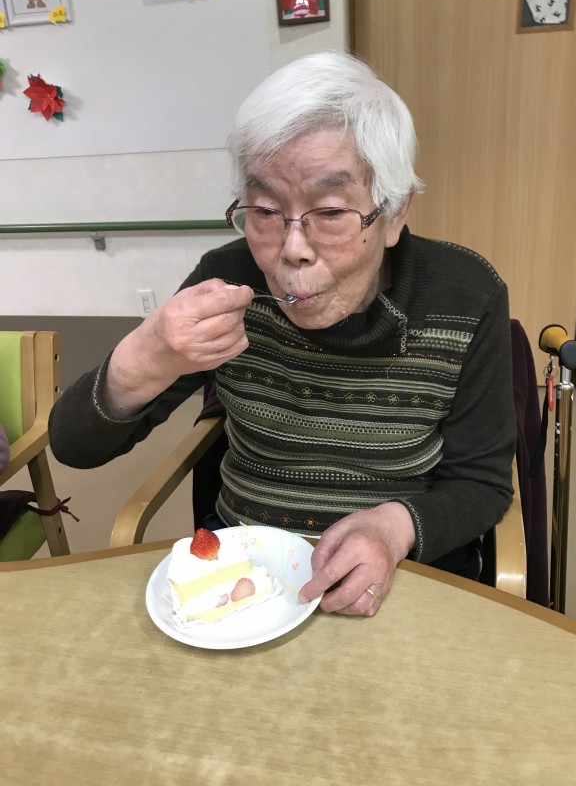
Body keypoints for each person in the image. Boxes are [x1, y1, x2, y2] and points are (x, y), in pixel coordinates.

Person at [49, 51, 516, 617]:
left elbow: (483, 483)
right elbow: (74, 448)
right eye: (266, 210)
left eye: (331, 211)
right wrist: (146, 356)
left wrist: (393, 528)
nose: (291, 249)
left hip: (408, 572)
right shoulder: (228, 280)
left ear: (394, 213)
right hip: (248, 573)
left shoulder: (465, 297)